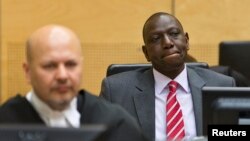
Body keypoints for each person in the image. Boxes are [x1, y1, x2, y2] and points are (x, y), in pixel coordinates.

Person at [99, 12, 236, 141]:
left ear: (187, 41)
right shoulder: (116, 92)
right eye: (156, 39)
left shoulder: (221, 86)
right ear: (146, 52)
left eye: (174, 34)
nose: (168, 43)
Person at [0, 25, 148, 141]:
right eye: (50, 66)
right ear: (28, 72)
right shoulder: (5, 122)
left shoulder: (114, 123)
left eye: (71, 64)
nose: (62, 76)